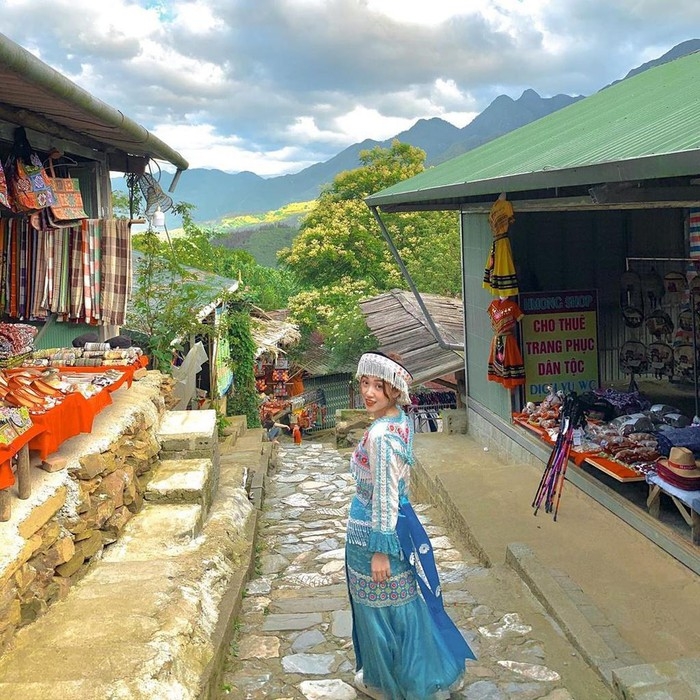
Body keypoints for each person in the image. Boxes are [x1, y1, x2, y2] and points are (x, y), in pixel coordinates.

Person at [346, 351, 475, 700]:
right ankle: (413, 673)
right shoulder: (399, 421)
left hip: (375, 531)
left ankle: (388, 680)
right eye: (365, 383)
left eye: (378, 386)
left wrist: (379, 552)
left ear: (395, 390)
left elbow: (385, 495)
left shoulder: (381, 437)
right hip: (400, 524)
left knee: (380, 608)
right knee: (403, 602)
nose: (369, 392)